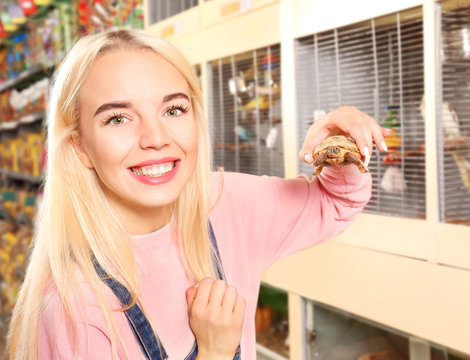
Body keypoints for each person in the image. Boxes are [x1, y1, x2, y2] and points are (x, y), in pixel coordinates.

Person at [6, 29, 389, 360]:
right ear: (80, 148)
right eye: (118, 118)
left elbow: (336, 201)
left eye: (173, 109)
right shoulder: (72, 304)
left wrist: (340, 146)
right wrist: (215, 352)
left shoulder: (227, 203)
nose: (156, 139)